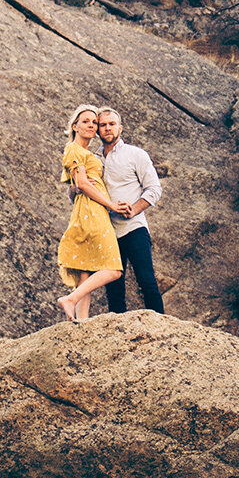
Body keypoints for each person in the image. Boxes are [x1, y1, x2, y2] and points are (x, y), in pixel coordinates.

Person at [55, 104, 129, 322]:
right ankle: (70, 299)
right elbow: (83, 183)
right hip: (92, 209)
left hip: (88, 208)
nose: (91, 125)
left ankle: (81, 320)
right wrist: (112, 205)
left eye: (94, 122)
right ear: (75, 126)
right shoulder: (74, 149)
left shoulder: (86, 152)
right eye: (85, 121)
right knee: (114, 269)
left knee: (85, 269)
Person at [96, 108, 165, 314]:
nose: (108, 128)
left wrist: (134, 209)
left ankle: (162, 327)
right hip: (107, 231)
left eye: (112, 124)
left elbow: (154, 189)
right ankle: (119, 335)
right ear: (98, 130)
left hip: (134, 227)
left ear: (120, 127)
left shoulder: (136, 154)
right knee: (114, 288)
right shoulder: (93, 159)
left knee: (147, 280)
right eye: (103, 125)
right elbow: (78, 194)